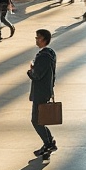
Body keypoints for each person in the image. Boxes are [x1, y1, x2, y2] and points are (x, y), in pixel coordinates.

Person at [28, 28, 58, 157]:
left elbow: (37, 75)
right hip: (45, 90)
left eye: (38, 37)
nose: (36, 39)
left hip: (41, 91)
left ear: (44, 39)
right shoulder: (50, 53)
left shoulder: (44, 56)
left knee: (36, 120)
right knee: (41, 119)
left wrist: (31, 70)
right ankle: (49, 142)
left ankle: (48, 143)